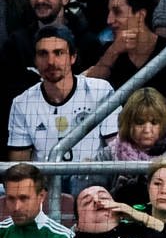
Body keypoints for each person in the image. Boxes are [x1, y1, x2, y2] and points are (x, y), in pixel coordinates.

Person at [7, 26, 113, 166]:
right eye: (43, 54)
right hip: (45, 186)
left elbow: (117, 151)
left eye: (58, 53)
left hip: (95, 184)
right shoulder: (22, 103)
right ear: (35, 60)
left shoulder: (100, 91)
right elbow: (19, 169)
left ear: (72, 57)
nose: (51, 62)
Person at [0, 163, 72, 238]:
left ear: (41, 196)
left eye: (24, 198)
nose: (16, 207)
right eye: (11, 198)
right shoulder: (1, 232)